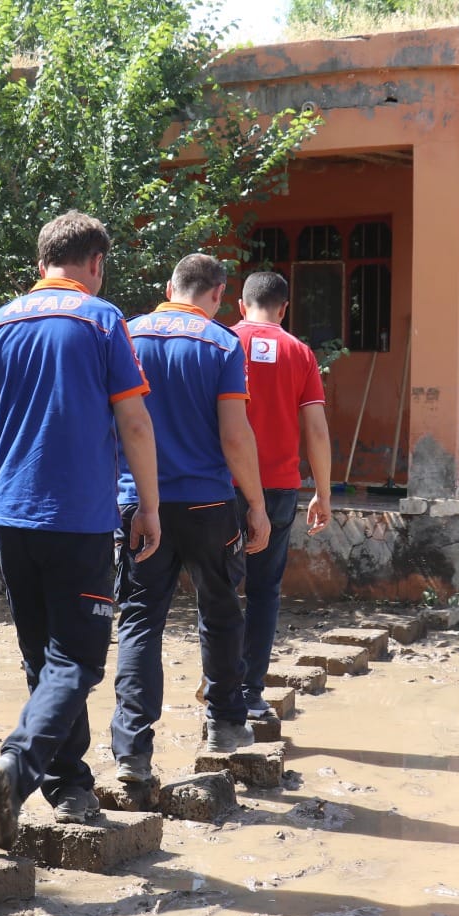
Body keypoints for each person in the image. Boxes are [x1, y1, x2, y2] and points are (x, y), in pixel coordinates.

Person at [0, 210, 162, 851]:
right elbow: (134, 424)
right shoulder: (104, 322)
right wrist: (149, 507)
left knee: (43, 659)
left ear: (42, 261)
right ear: (95, 264)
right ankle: (17, 770)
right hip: (78, 521)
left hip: (11, 518)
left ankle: (69, 786)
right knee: (77, 659)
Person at [112, 254, 270, 785]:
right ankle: (225, 723)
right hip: (207, 504)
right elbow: (234, 434)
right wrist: (256, 503)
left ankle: (132, 751)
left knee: (139, 619)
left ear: (168, 287)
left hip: (138, 502)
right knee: (221, 610)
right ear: (220, 294)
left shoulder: (127, 335)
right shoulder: (223, 344)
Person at [232, 271, 332, 716]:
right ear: (284, 308)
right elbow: (316, 430)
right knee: (264, 590)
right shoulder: (301, 353)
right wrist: (323, 492)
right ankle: (250, 693)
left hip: (224, 484)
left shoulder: (221, 342)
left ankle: (218, 685)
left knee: (217, 587)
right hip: (279, 487)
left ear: (240, 304)